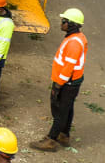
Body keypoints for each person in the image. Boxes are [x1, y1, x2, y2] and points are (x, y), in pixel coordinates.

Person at [30, 8, 88, 152]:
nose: (61, 23)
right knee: (67, 108)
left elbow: (68, 67)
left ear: (72, 24)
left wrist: (58, 85)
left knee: (60, 111)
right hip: (71, 81)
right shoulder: (75, 37)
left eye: (64, 21)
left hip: (68, 82)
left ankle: (51, 140)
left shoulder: (74, 42)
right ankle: (64, 135)